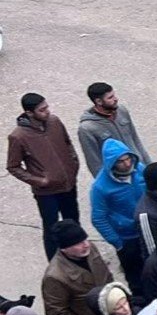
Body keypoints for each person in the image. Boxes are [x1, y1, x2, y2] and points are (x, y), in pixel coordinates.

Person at [9, 94, 80, 261]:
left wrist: (73, 165)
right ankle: (56, 265)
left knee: (73, 222)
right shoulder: (18, 136)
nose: (47, 112)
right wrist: (39, 181)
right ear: (29, 112)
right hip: (47, 193)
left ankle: (79, 256)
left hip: (68, 184)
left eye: (47, 107)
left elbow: (68, 143)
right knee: (51, 228)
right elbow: (13, 166)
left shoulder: (55, 122)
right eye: (42, 110)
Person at [88, 139, 146, 288]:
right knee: (137, 280)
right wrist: (118, 244)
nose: (127, 164)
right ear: (111, 164)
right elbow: (98, 218)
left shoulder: (140, 169)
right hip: (128, 238)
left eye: (128, 158)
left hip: (148, 229)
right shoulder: (100, 187)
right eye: (121, 161)